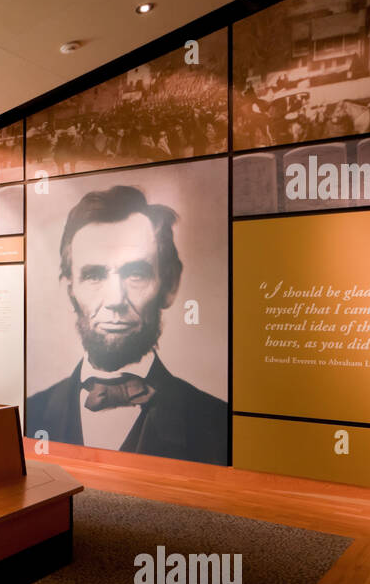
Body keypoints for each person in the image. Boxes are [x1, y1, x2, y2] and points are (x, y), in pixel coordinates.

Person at [26, 186, 227, 464]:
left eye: (135, 274)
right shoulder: (32, 411)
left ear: (169, 285)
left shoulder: (216, 425)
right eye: (94, 275)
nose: (115, 300)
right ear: (68, 291)